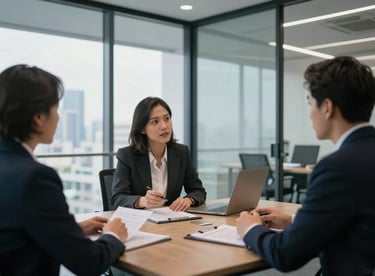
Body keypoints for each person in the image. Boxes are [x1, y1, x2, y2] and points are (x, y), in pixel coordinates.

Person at [236, 56, 375, 275]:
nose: (310, 113)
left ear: (327, 107)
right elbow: (356, 221)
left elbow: (285, 254)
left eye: (310, 103)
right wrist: (294, 220)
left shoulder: (336, 167)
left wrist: (250, 229)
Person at [0, 64, 128, 275]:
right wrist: (113, 235)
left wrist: (73, 231)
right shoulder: (35, 178)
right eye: (56, 109)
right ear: (39, 118)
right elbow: (89, 263)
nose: (58, 117)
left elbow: (17, 234)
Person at [112, 96, 206, 211]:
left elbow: (198, 190)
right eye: (155, 122)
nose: (164, 126)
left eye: (167, 119)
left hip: (171, 222)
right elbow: (118, 198)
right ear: (142, 129)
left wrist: (187, 200)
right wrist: (143, 201)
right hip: (140, 222)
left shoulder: (181, 153)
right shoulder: (127, 156)